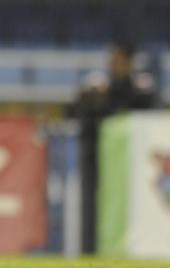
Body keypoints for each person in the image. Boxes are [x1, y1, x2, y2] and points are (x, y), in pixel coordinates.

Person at [65, 40, 157, 254]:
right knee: (91, 205)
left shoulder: (141, 87)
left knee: (133, 204)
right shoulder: (97, 84)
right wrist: (91, 96)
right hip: (96, 155)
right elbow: (71, 112)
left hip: (131, 158)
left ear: (130, 62)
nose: (114, 65)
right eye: (112, 60)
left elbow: (147, 114)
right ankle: (90, 250)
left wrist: (106, 95)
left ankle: (132, 248)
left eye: (119, 60)